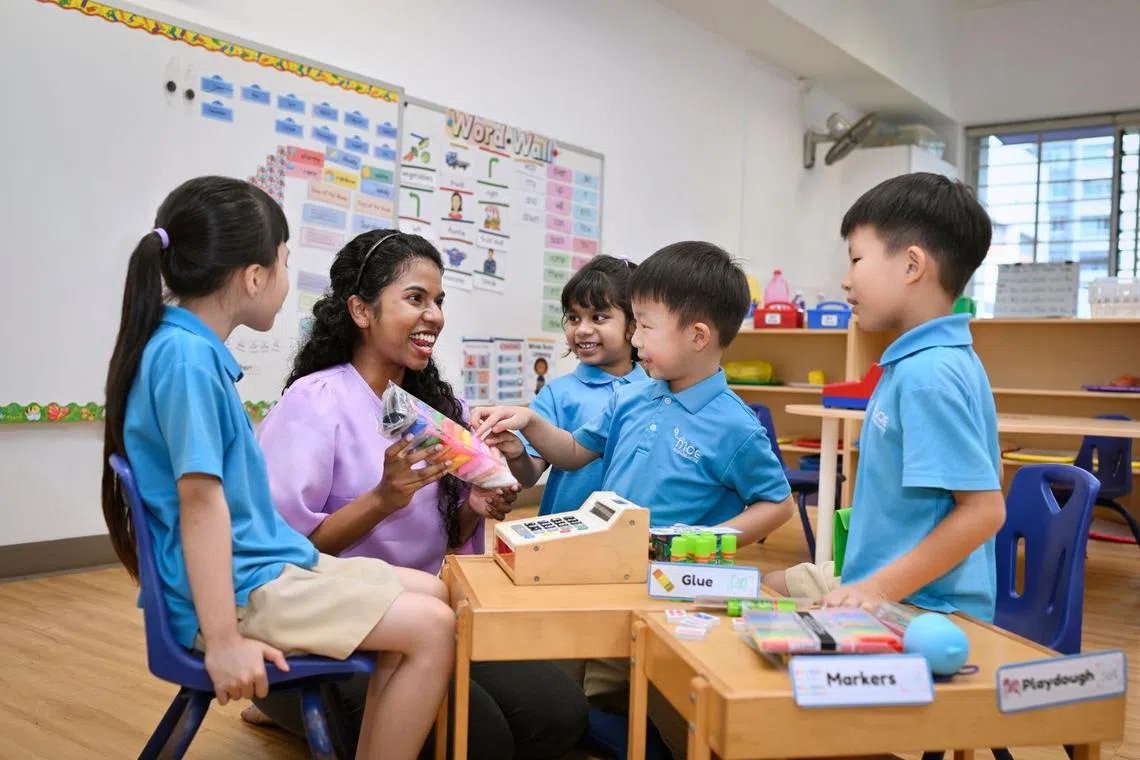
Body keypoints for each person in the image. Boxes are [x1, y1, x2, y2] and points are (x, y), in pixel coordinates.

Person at [101, 177, 454, 760]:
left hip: (263, 568)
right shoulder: (187, 359)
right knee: (433, 629)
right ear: (254, 276)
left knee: (435, 593)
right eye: (285, 263)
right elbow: (201, 506)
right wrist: (222, 642)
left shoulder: (184, 348)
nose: (288, 282)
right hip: (243, 589)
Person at [245, 229, 588, 760]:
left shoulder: (433, 405)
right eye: (415, 299)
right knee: (483, 741)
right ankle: (277, 702)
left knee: (561, 714)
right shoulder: (315, 402)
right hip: (339, 626)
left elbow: (438, 539)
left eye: (438, 301)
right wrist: (383, 498)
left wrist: (473, 510)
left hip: (424, 616)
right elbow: (288, 559)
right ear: (361, 311)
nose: (434, 315)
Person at [475, 241, 794, 757]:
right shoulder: (636, 394)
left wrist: (708, 542)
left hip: (671, 592)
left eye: (645, 325)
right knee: (594, 686)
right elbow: (576, 452)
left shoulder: (735, 425)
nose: (634, 336)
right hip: (607, 570)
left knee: (658, 696)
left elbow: (776, 505)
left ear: (697, 336)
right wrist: (531, 421)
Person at [767, 172, 1006, 623]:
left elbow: (983, 512)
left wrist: (873, 589)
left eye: (856, 258)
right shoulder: (921, 361)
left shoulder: (927, 374)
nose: (845, 279)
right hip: (883, 584)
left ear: (912, 266)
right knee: (766, 583)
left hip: (923, 605)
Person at [496, 255, 647, 516]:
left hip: (633, 535)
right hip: (565, 532)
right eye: (574, 318)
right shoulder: (557, 393)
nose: (582, 330)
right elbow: (530, 476)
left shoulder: (653, 390)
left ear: (633, 325)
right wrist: (518, 454)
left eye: (599, 317)